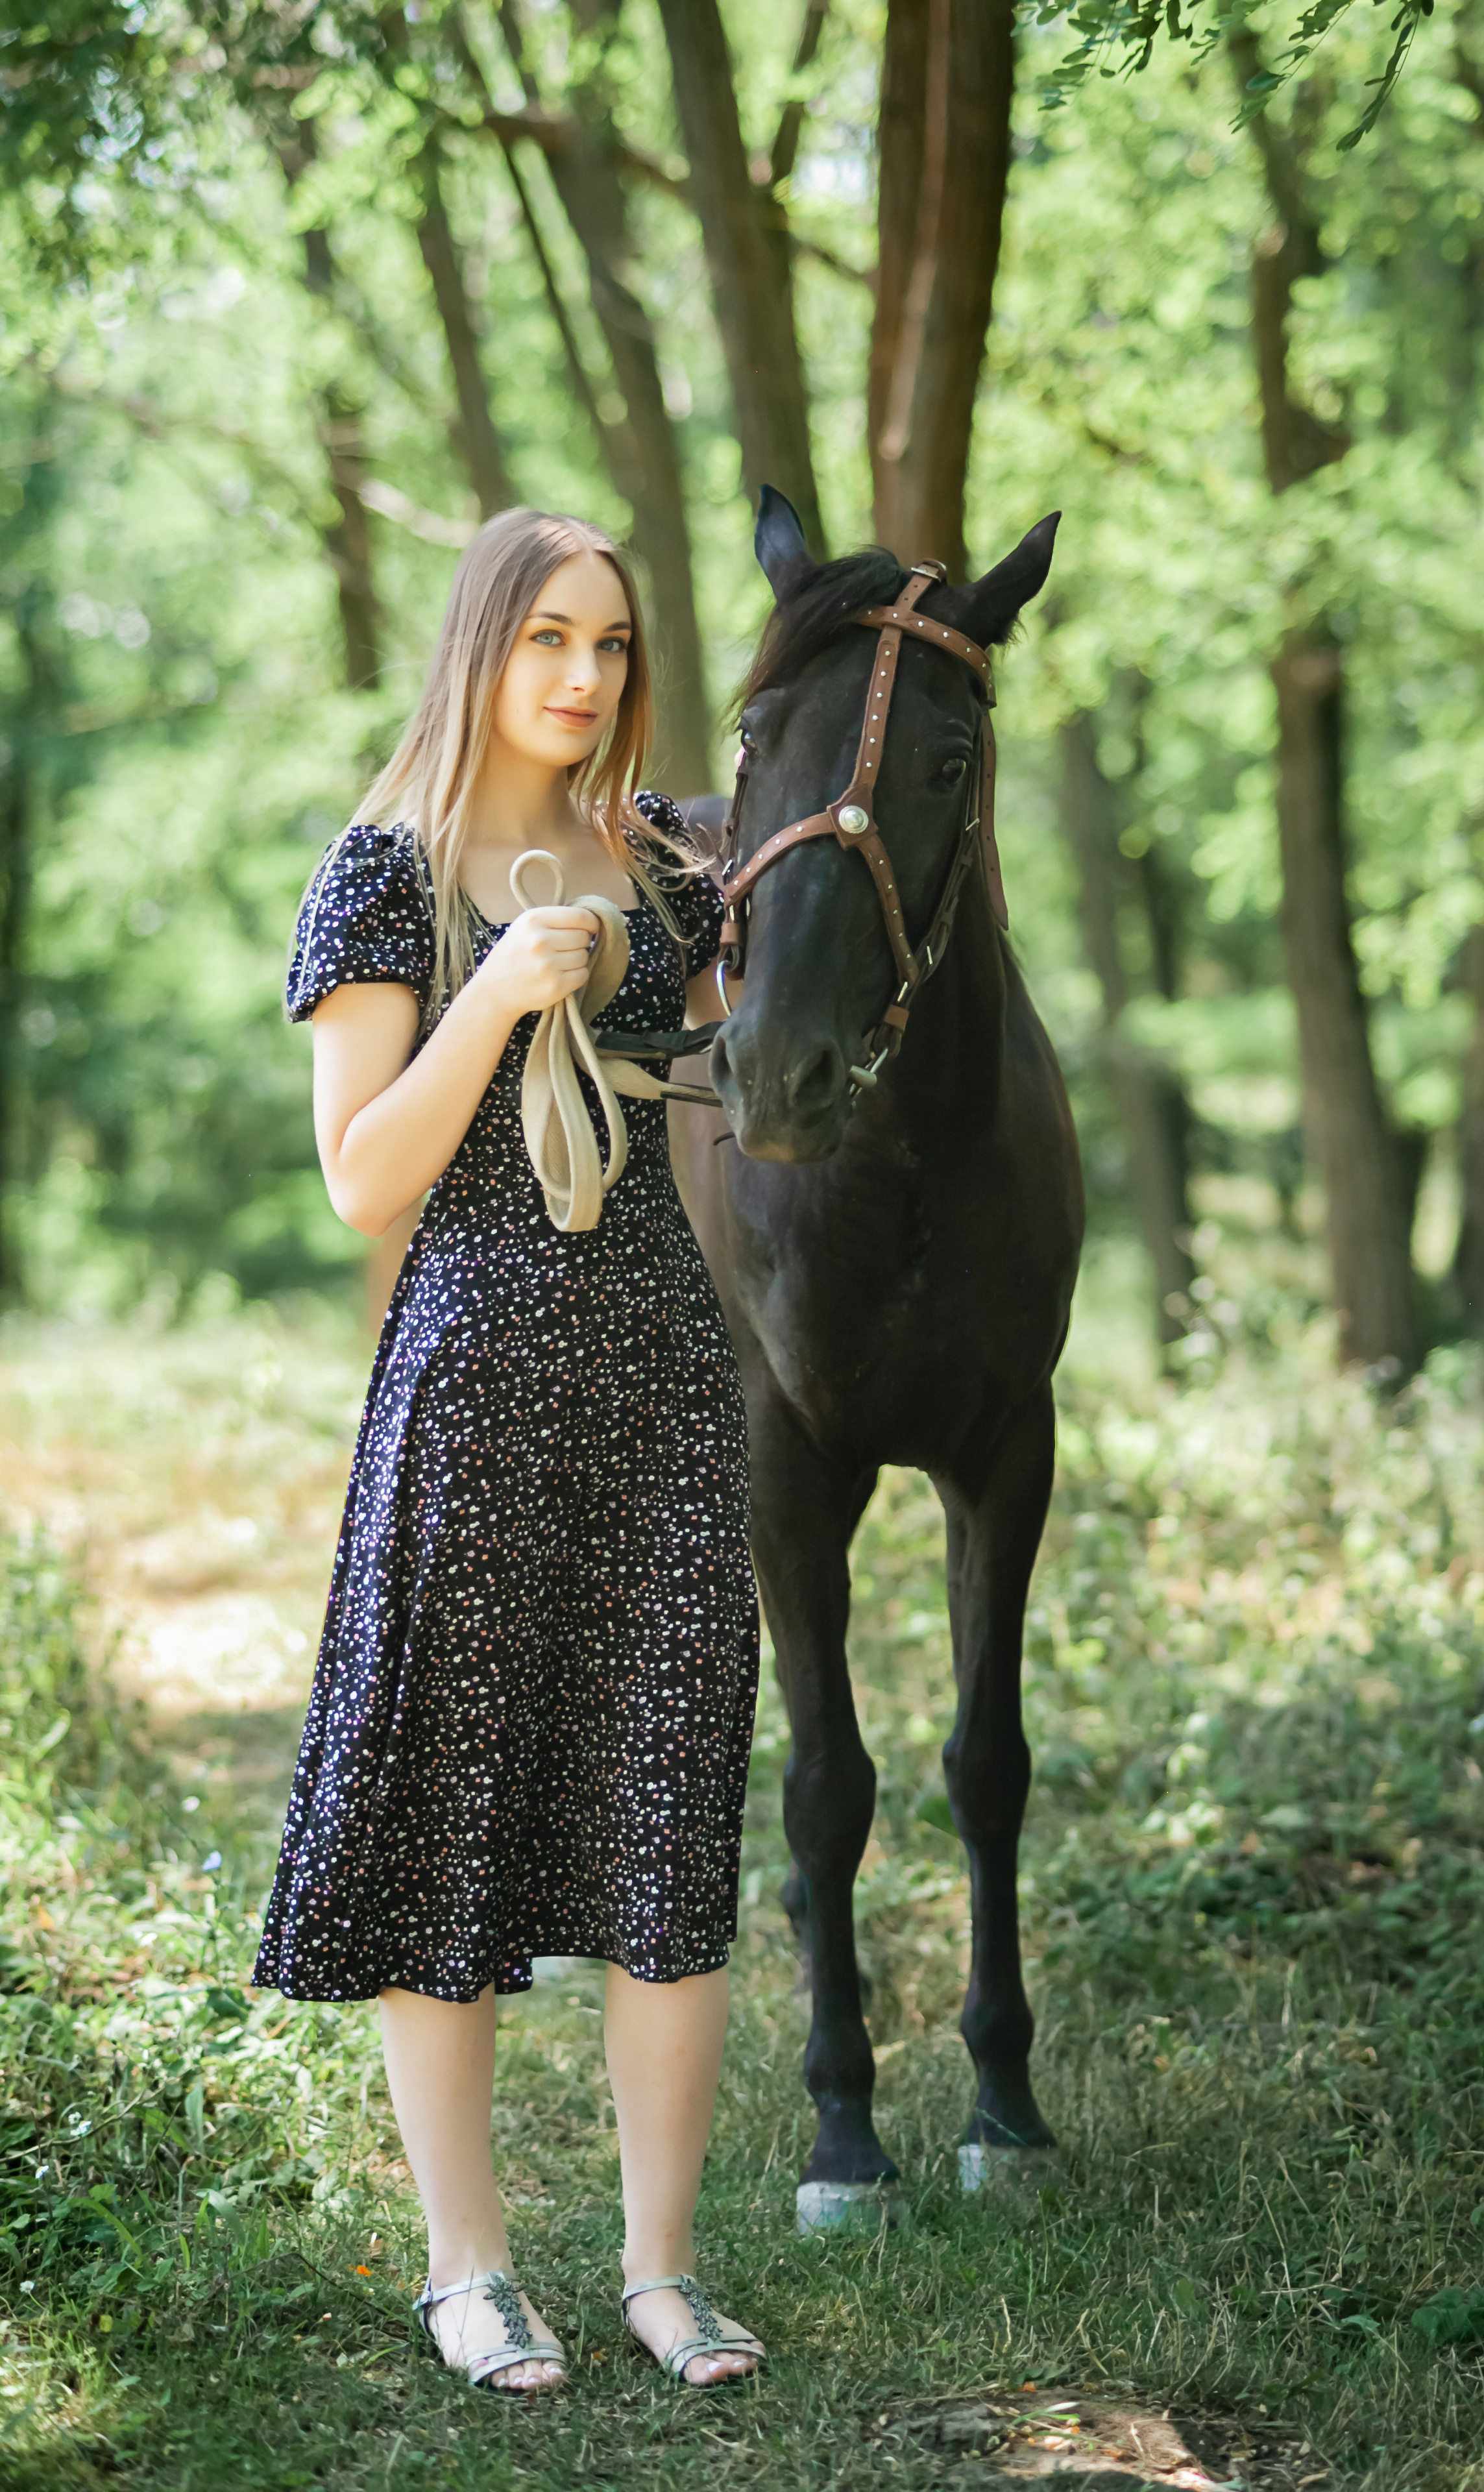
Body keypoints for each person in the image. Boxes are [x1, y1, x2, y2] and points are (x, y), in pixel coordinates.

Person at [252, 509, 764, 2395]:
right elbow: (358, 1179)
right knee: (444, 1814)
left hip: (656, 1392)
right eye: (550, 636)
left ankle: (658, 2266)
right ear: (481, 647)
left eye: (614, 645)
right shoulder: (384, 877)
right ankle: (470, 2265)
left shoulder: (665, 874)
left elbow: (747, 1094)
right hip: (468, 1397)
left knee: (667, 1799)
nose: (585, 675)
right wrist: (496, 990)